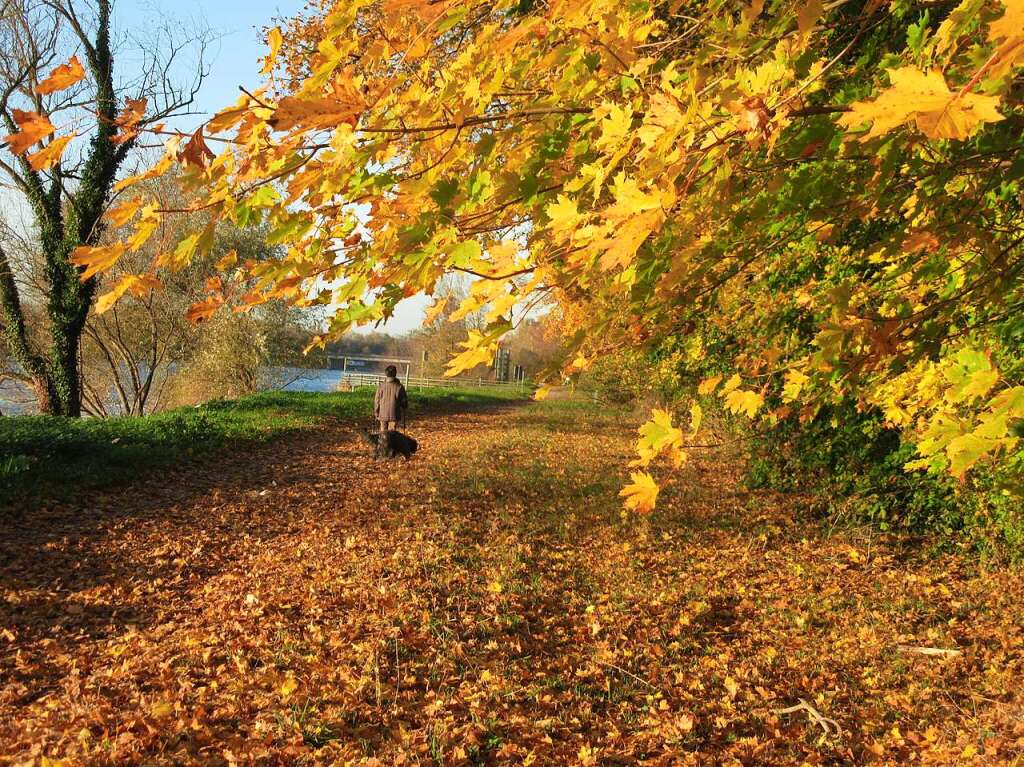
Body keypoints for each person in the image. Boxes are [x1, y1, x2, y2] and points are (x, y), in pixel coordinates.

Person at [374, 365, 408, 433]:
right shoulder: (399, 387)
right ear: (395, 374)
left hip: (382, 413)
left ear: (386, 374)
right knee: (392, 434)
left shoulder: (381, 386)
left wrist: (376, 412)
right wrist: (404, 406)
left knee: (383, 433)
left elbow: (377, 401)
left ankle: (383, 443)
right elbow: (404, 402)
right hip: (394, 414)